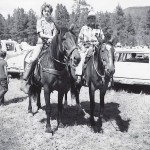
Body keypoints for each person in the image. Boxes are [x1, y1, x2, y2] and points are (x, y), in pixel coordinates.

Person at [21, 2, 57, 93]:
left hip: (51, 45)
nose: (47, 13)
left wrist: (52, 39)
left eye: (48, 11)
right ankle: (26, 80)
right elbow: (41, 34)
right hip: (41, 44)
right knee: (33, 58)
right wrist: (50, 37)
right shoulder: (39, 21)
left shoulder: (53, 23)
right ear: (42, 12)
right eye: (45, 11)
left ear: (50, 12)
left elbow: (55, 34)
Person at [75, 11, 105, 83]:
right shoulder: (84, 28)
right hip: (86, 48)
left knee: (105, 58)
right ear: (88, 19)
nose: (92, 20)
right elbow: (79, 40)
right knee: (81, 58)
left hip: (97, 48)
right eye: (90, 18)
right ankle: (79, 75)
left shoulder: (99, 28)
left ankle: (106, 76)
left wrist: (100, 41)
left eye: (93, 18)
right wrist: (83, 48)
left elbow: (103, 38)